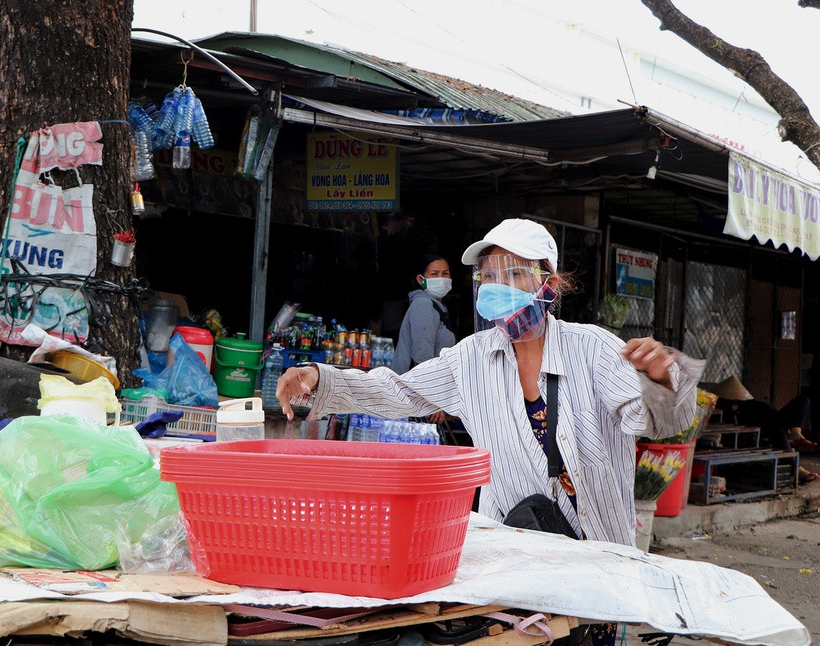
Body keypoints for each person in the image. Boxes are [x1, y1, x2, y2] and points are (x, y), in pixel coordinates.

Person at [278, 218, 704, 646]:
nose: (498, 285)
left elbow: (655, 421)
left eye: (515, 272)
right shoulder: (469, 360)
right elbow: (400, 390)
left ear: (549, 283)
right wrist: (320, 378)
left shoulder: (594, 348)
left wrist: (662, 378)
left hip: (595, 560)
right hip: (518, 559)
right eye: (488, 276)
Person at [709, 376, 818, 484]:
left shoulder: (748, 401)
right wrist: (734, 406)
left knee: (804, 400)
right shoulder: (726, 405)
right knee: (779, 431)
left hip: (775, 416)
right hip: (762, 423)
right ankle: (796, 469)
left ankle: (795, 431)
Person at [391, 254, 456, 374]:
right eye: (434, 274)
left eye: (445, 273)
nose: (441, 279)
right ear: (421, 280)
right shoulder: (423, 304)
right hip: (418, 386)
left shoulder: (437, 306)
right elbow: (423, 357)